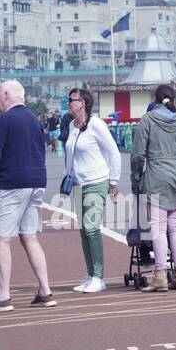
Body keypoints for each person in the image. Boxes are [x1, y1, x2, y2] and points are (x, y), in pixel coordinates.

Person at [0, 80, 57, 310]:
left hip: (13, 183)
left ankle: (3, 296)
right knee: (29, 236)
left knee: (1, 238)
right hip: (37, 181)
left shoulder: (4, 120)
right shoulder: (33, 119)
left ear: (6, 94)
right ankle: (45, 290)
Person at [130, 84, 176, 292]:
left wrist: (138, 178)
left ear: (155, 99)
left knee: (158, 228)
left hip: (157, 178)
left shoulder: (148, 120)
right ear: (173, 100)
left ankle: (160, 276)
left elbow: (138, 154)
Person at [63, 87, 120, 294]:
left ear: (83, 103)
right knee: (83, 231)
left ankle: (99, 276)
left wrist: (113, 181)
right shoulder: (72, 125)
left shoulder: (96, 125)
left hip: (97, 181)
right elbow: (70, 152)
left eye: (72, 100)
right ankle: (90, 274)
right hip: (78, 183)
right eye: (68, 99)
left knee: (92, 228)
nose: (69, 103)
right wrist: (68, 176)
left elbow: (114, 152)